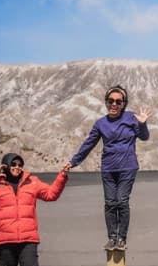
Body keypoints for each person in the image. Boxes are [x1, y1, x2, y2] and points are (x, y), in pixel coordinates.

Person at [65, 85, 151, 251]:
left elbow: (144, 137)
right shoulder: (101, 124)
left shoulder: (131, 118)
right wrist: (74, 162)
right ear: (106, 102)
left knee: (122, 201)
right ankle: (112, 237)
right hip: (108, 169)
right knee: (110, 202)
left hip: (127, 167)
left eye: (118, 102)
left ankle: (122, 238)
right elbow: (88, 144)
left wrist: (142, 124)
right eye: (110, 101)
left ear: (123, 104)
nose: (114, 104)